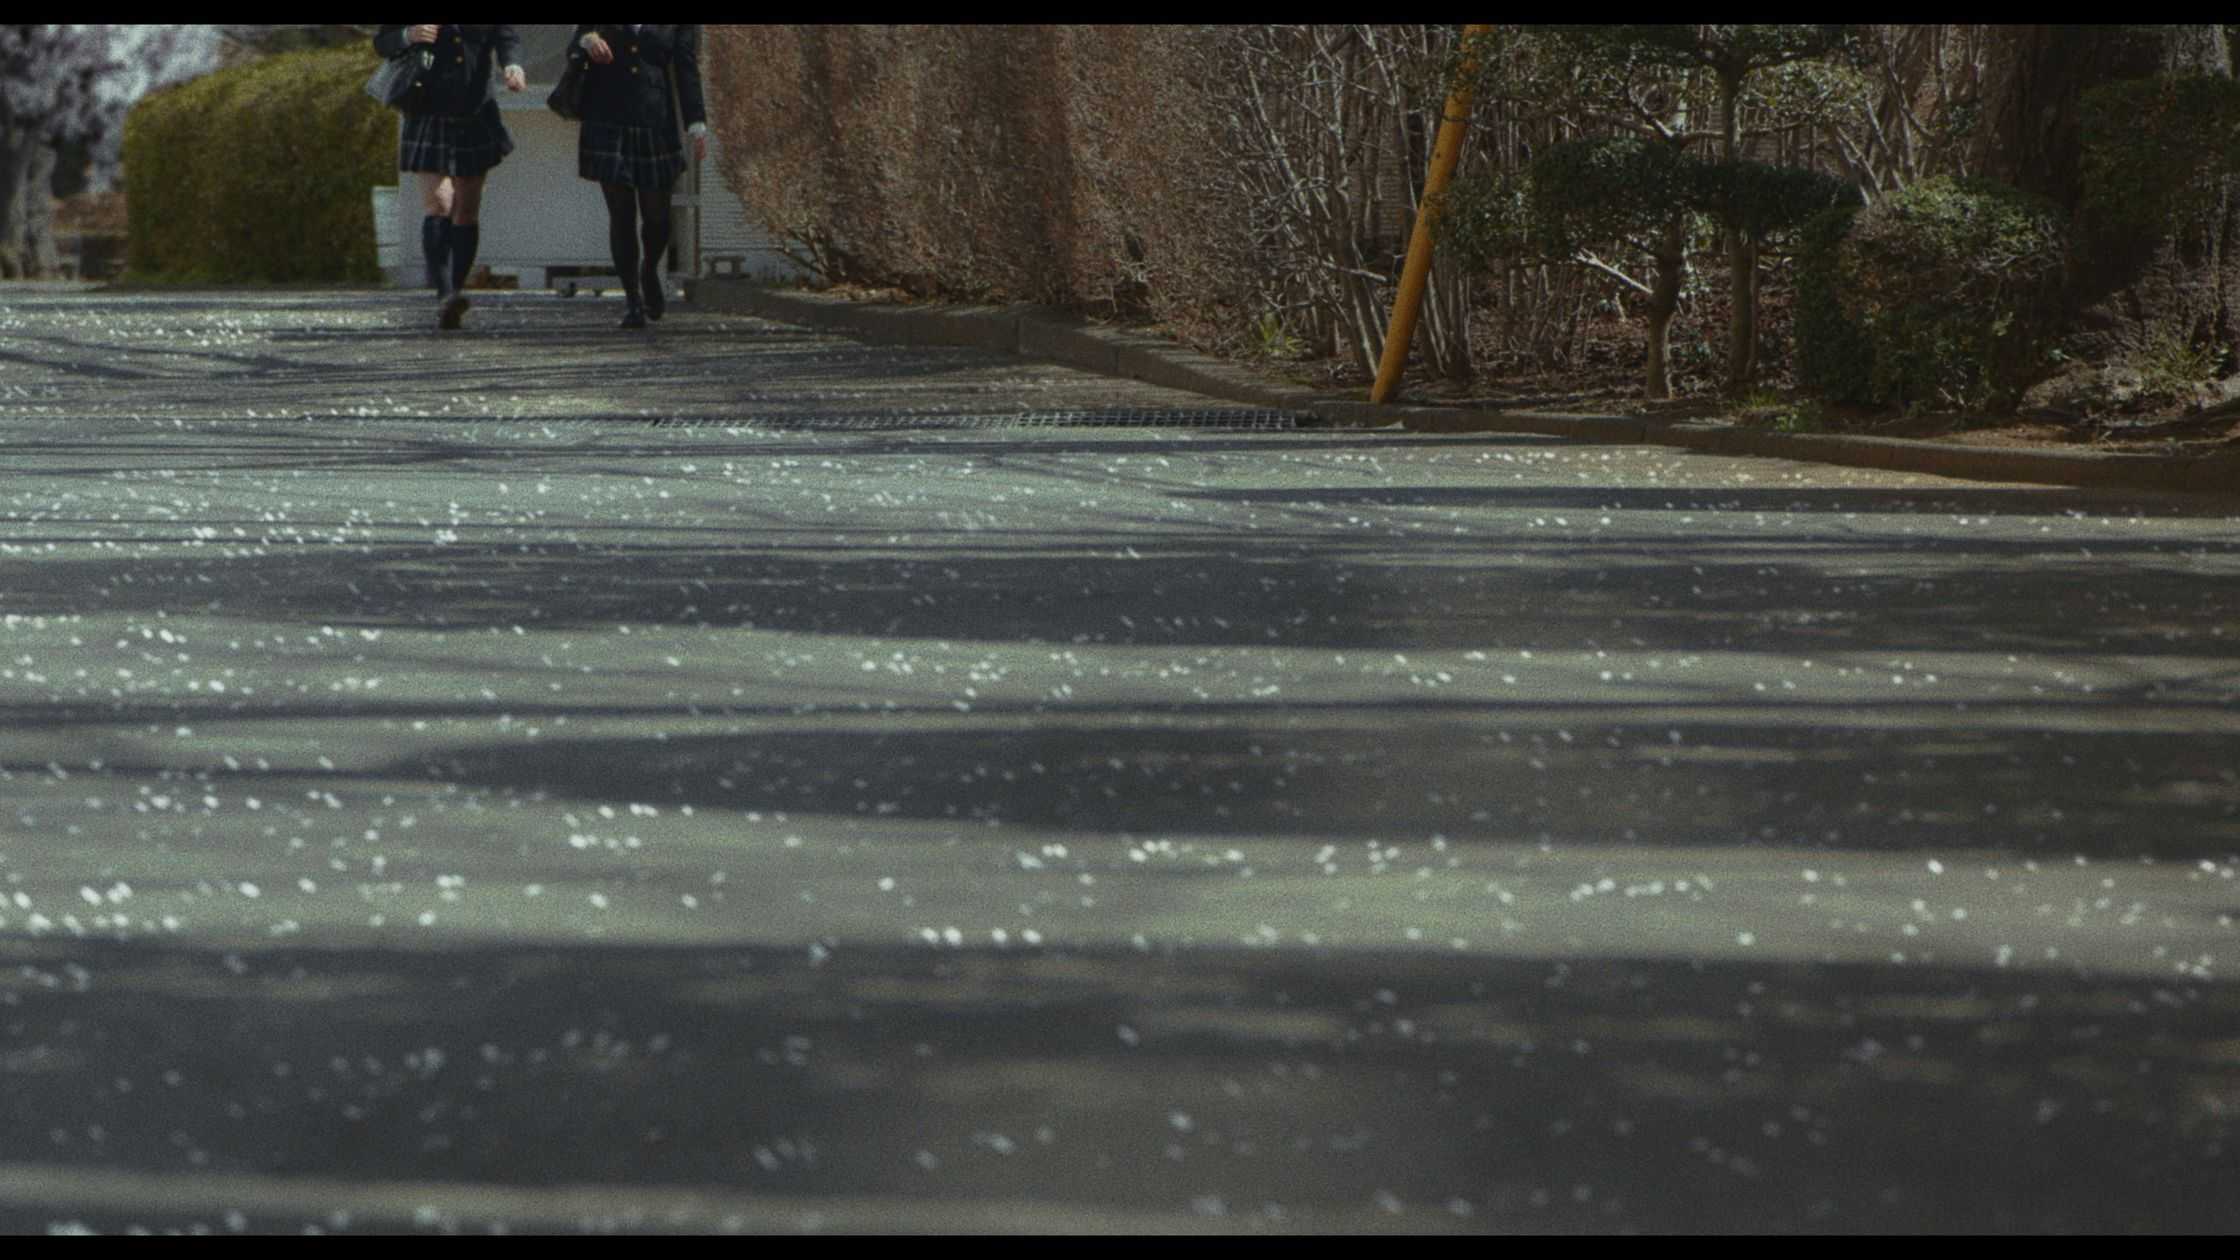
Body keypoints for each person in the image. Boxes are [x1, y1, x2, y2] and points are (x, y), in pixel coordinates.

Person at [374, 25, 525, 330]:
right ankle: (445, 295)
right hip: (428, 109)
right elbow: (383, 42)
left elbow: (507, 36)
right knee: (439, 204)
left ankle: (455, 290)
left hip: (475, 108)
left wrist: (512, 64)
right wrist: (408, 35)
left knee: (466, 209)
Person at [570, 25, 708, 329]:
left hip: (654, 120)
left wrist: (696, 122)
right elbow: (575, 45)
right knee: (621, 215)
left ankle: (649, 269)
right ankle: (632, 301)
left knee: (657, 218)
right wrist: (589, 42)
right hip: (607, 119)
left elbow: (685, 65)